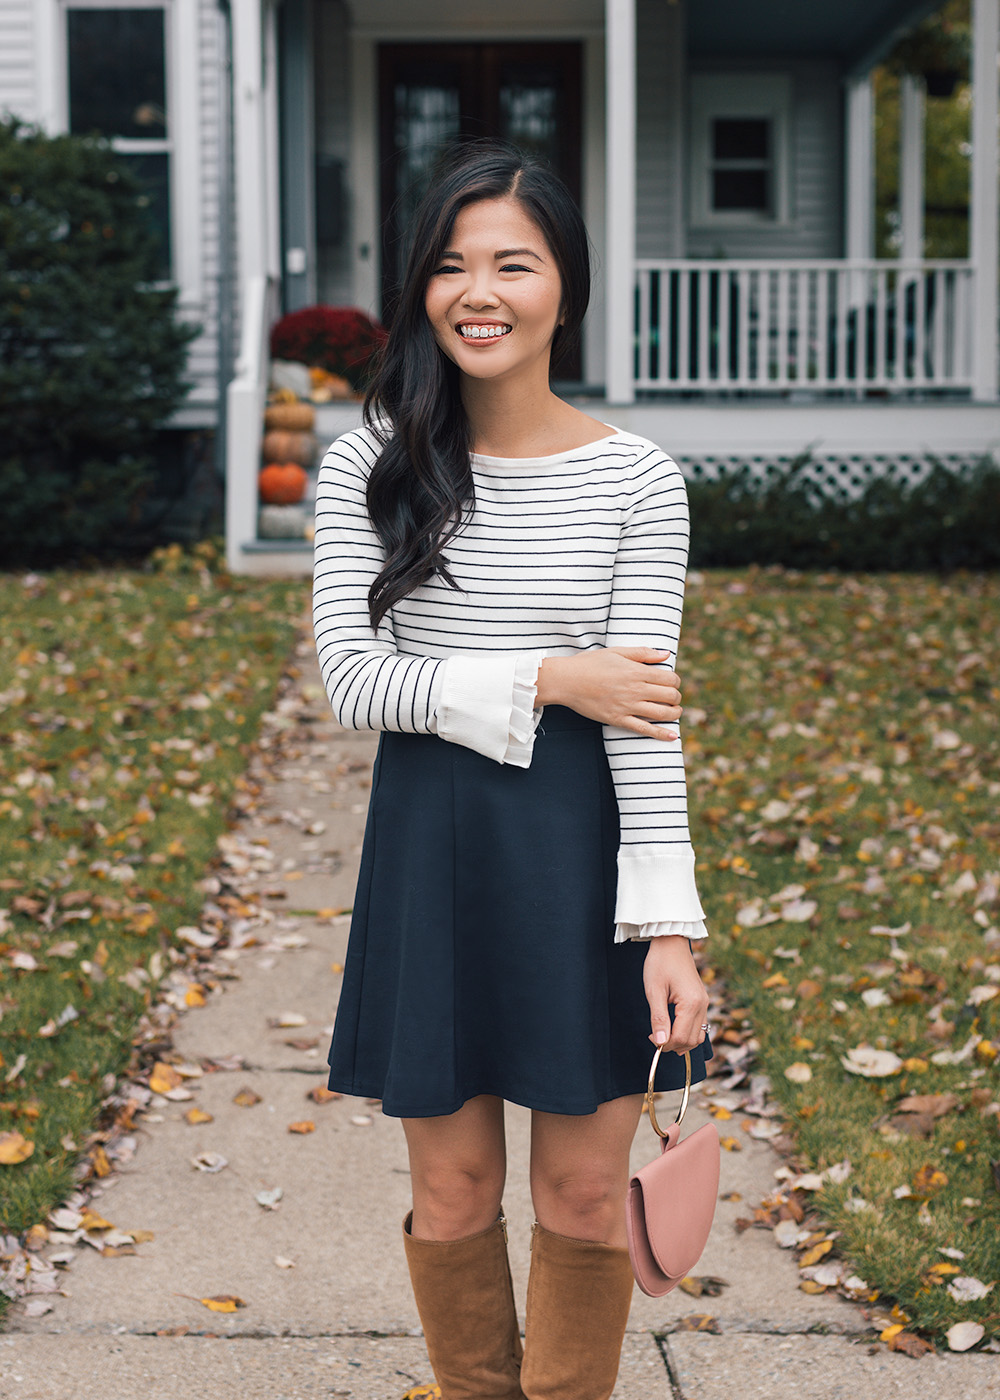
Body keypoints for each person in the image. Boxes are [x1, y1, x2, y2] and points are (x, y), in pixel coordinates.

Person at [312, 140, 712, 1400]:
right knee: (455, 1184)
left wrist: (670, 928)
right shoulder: (367, 465)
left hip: (585, 847)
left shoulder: (638, 478)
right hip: (435, 847)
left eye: (512, 264)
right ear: (421, 289)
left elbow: (644, 716)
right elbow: (356, 683)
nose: (477, 291)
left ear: (564, 287)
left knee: (587, 1187)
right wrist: (553, 674)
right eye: (449, 264)